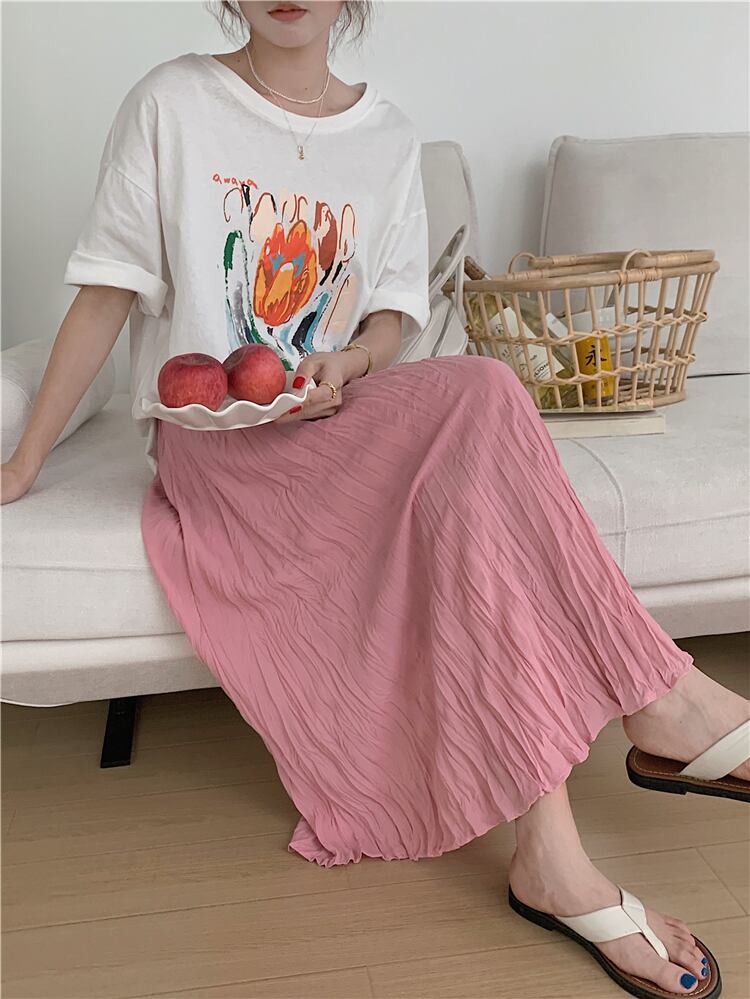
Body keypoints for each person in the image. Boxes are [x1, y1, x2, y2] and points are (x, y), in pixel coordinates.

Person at [2, 4, 747, 998]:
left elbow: (391, 320)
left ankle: (560, 846)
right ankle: (661, 709)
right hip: (219, 456)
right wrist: (23, 461)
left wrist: (346, 365)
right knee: (481, 402)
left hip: (330, 422)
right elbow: (106, 291)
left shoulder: (387, 135)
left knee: (480, 408)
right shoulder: (172, 102)